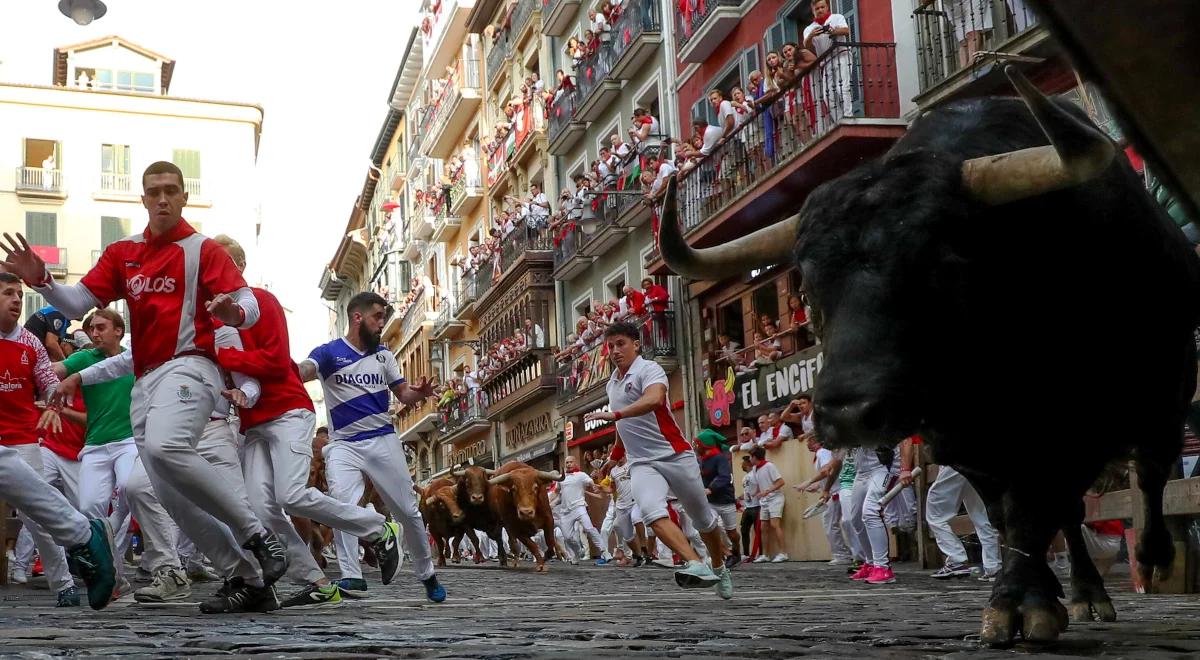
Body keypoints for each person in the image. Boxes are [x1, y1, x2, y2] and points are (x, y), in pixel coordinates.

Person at [2, 161, 290, 607]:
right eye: (154, 191)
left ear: (183, 198)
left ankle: (258, 536)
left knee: (164, 448)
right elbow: (79, 300)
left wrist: (235, 313)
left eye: (171, 190)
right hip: (146, 378)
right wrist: (41, 278)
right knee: (160, 492)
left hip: (192, 365)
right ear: (142, 199)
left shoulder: (204, 250)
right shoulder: (123, 252)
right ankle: (248, 580)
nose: (162, 198)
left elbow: (247, 302)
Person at [212, 235, 402, 608]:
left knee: (290, 494)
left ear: (239, 266)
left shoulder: (262, 302)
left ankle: (378, 528)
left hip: (288, 412)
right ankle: (315, 578)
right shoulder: (210, 314)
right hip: (253, 423)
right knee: (260, 508)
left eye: (220, 261)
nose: (211, 269)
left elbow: (275, 362)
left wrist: (225, 357)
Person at [299, 291, 446, 603]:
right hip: (343, 445)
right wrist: (288, 374)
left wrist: (419, 394)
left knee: (408, 511)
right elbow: (307, 370)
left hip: (382, 439)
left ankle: (427, 574)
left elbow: (403, 394)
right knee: (342, 505)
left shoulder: (384, 357)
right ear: (357, 317)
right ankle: (352, 575)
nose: (382, 323)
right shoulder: (329, 352)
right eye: (378, 317)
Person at [589, 322, 732, 599]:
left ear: (636, 345)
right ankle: (694, 563)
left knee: (703, 520)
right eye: (611, 346)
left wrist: (617, 416)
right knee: (651, 512)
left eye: (621, 344)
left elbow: (655, 400)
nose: (615, 351)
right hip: (641, 462)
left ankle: (719, 566)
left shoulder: (649, 369)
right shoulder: (612, 384)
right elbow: (624, 430)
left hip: (675, 454)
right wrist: (613, 457)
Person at [0, 272, 117, 610]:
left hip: (23, 439)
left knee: (38, 516)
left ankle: (64, 584)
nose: (17, 300)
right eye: (8, 293)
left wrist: (55, 401)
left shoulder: (31, 343)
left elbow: (50, 380)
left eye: (19, 295)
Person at [925, 464, 1001, 580]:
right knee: (981, 514)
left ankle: (956, 560)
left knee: (935, 513)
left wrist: (904, 469)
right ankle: (993, 566)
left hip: (955, 459)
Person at [803, 0, 854, 127]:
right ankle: (839, 120)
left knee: (842, 88)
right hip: (826, 62)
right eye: (817, 8)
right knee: (828, 96)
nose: (820, 10)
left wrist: (832, 31)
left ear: (827, 7)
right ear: (813, 10)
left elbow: (846, 31)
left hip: (841, 55)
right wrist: (811, 36)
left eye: (822, 7)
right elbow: (806, 46)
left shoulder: (837, 17)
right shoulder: (809, 28)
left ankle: (848, 116)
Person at [696, 429, 740, 567]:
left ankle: (736, 551)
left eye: (697, 443)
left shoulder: (720, 458)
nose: (695, 446)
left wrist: (710, 488)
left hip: (725, 501)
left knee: (732, 533)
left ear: (705, 444)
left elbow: (724, 477)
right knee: (708, 530)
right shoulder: (702, 460)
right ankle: (728, 554)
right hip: (710, 503)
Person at [556, 455, 609, 565]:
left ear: (575, 463)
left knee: (589, 528)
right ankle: (576, 553)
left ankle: (604, 551)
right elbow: (557, 493)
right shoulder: (561, 478)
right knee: (567, 537)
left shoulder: (581, 475)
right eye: (567, 462)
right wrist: (549, 503)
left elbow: (591, 483)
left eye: (571, 462)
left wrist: (595, 487)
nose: (569, 464)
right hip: (566, 512)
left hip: (579, 507)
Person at [749, 445, 788, 562]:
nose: (749, 459)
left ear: (755, 457)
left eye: (750, 457)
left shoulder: (769, 466)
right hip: (765, 501)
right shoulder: (755, 469)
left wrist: (767, 491)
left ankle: (783, 553)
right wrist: (752, 494)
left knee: (775, 524)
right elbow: (758, 486)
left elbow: (781, 482)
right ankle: (765, 555)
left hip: (775, 499)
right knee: (763, 527)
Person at [738, 454, 762, 561]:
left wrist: (755, 494)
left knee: (758, 531)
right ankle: (746, 554)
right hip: (748, 507)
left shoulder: (755, 474)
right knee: (744, 530)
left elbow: (759, 487)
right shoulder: (745, 477)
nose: (742, 465)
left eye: (743, 462)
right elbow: (746, 491)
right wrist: (739, 498)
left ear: (747, 463)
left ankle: (761, 554)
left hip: (756, 506)